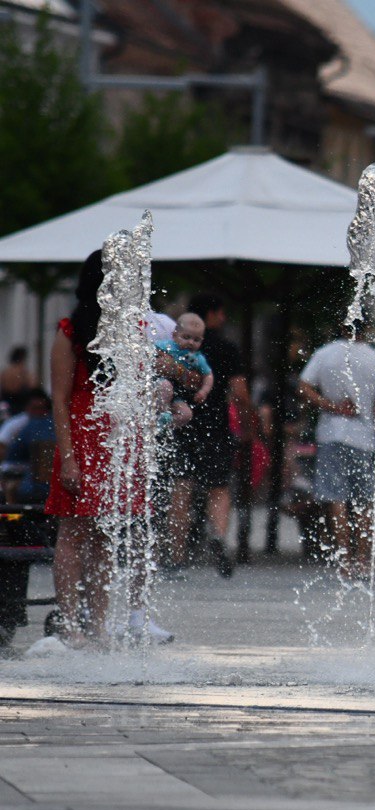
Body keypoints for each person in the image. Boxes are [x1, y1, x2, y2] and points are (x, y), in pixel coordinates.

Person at [45, 252, 194, 647]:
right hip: (82, 436)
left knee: (106, 535)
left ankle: (97, 625)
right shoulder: (71, 331)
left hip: (120, 440)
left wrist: (170, 400)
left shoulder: (132, 330)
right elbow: (59, 399)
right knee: (75, 531)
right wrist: (70, 458)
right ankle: (71, 625)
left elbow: (154, 381)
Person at [167, 294, 256, 577]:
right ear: (213, 314)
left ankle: (177, 556)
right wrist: (247, 426)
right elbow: (240, 393)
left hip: (181, 426)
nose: (224, 318)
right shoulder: (227, 348)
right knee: (218, 488)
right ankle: (218, 535)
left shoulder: (174, 347)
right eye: (221, 312)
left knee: (181, 488)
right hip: (216, 427)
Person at [298, 321, 375, 581]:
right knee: (364, 501)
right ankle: (363, 559)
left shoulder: (325, 353)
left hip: (331, 433)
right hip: (364, 436)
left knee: (337, 500)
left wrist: (329, 404)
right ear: (366, 328)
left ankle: (344, 559)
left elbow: (304, 385)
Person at [154, 313, 214, 429]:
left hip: (178, 392)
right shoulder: (167, 346)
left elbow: (208, 375)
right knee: (165, 387)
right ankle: (160, 414)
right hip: (161, 384)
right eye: (186, 337)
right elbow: (150, 351)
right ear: (174, 335)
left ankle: (162, 426)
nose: (191, 342)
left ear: (202, 341)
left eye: (196, 340)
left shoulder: (197, 358)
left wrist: (204, 391)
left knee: (186, 415)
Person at [2, 389, 53, 504]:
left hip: (37, 478)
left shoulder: (41, 424)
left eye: (41, 408)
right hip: (18, 470)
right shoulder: (18, 424)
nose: (38, 412)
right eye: (34, 408)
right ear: (26, 408)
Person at [1, 346, 36, 414]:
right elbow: (33, 387)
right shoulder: (24, 372)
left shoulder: (5, 372)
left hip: (7, 404)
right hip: (22, 406)